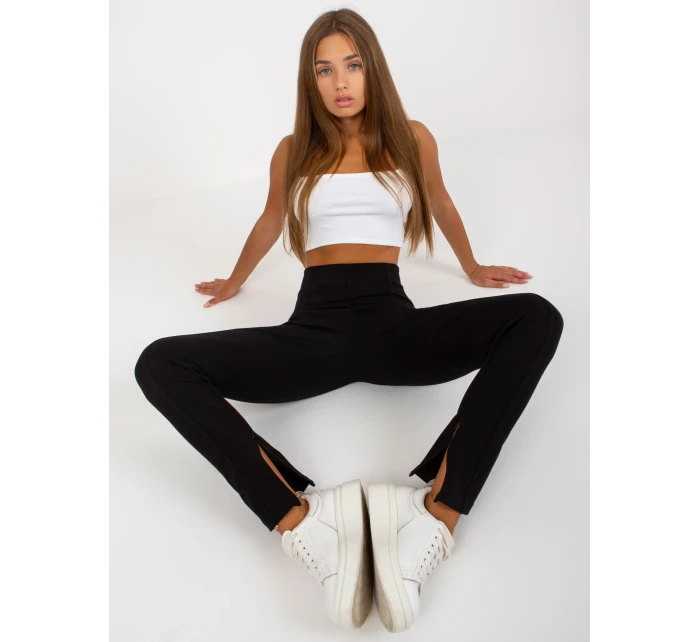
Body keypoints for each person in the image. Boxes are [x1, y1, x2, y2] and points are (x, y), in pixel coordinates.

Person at [134, 8, 564, 634]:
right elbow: (271, 219)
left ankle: (434, 516)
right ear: (309, 80)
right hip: (312, 334)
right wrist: (234, 281)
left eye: (353, 65)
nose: (340, 82)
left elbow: (440, 201)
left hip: (394, 329)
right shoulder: (294, 150)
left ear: (372, 69)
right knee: (159, 364)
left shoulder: (412, 138)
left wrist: (472, 267)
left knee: (537, 318)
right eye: (324, 69)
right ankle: (306, 523)